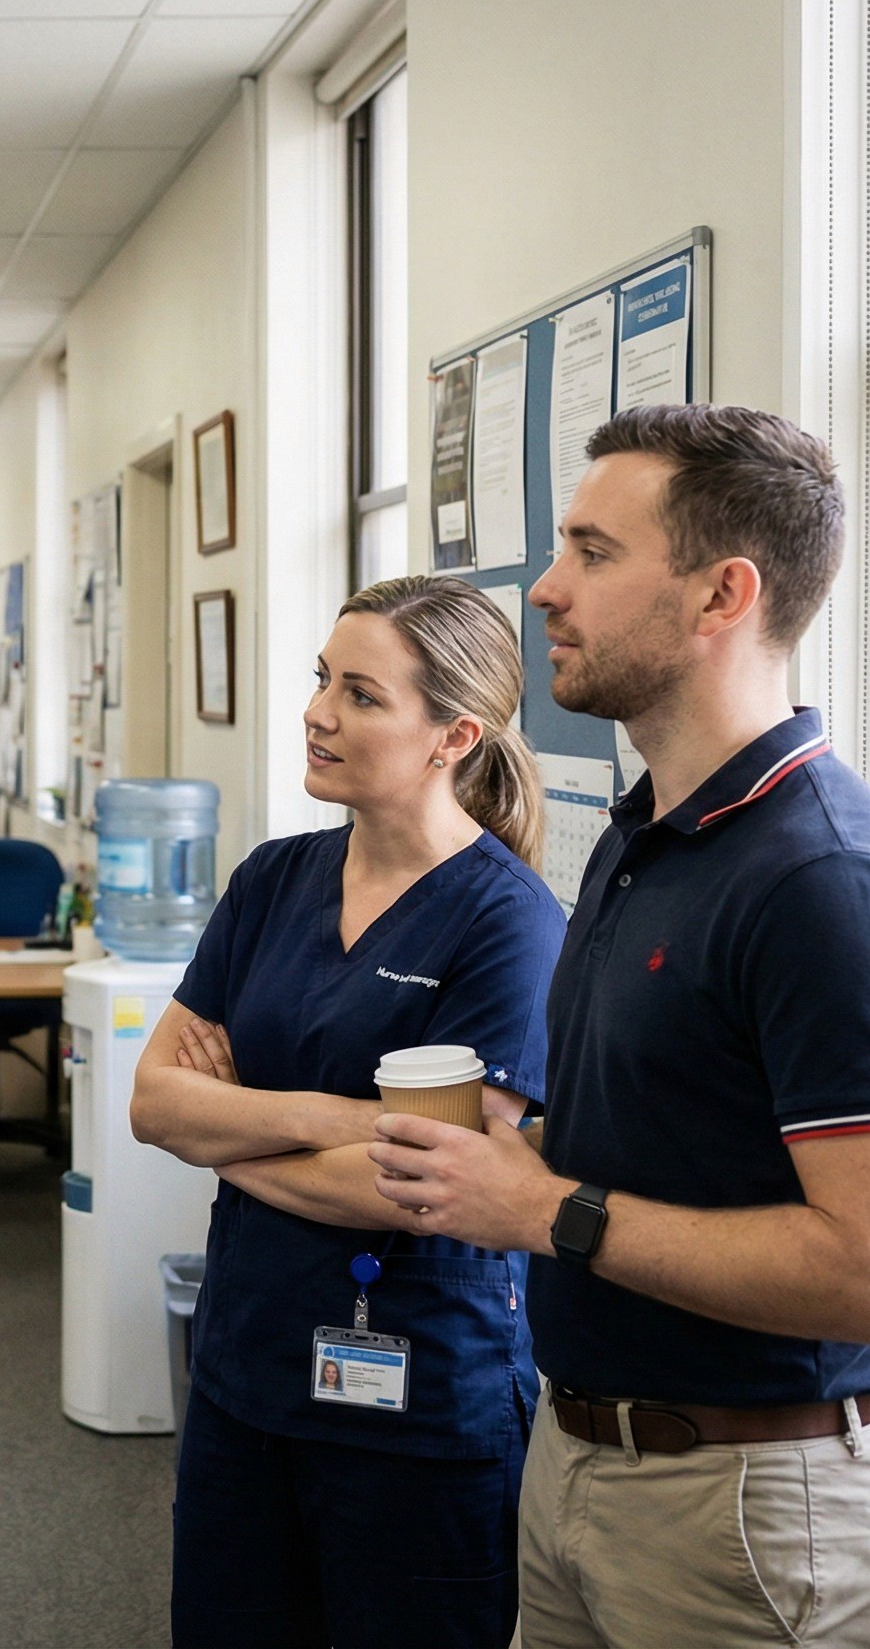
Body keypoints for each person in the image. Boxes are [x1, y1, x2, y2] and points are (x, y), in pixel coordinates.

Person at [366, 405, 870, 1648]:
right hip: (584, 1451)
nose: (542, 587)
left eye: (592, 551)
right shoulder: (647, 834)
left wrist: (542, 1210)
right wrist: (525, 1161)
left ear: (721, 595)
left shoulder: (826, 881)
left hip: (751, 1504)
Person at [131, 576, 566, 1649]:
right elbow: (152, 1101)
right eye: (323, 679)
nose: (319, 710)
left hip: (420, 1406)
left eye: (362, 693)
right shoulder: (274, 878)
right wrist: (335, 1116)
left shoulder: (509, 923)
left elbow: (419, 1184)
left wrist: (228, 1127)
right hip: (244, 1375)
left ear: (451, 735)